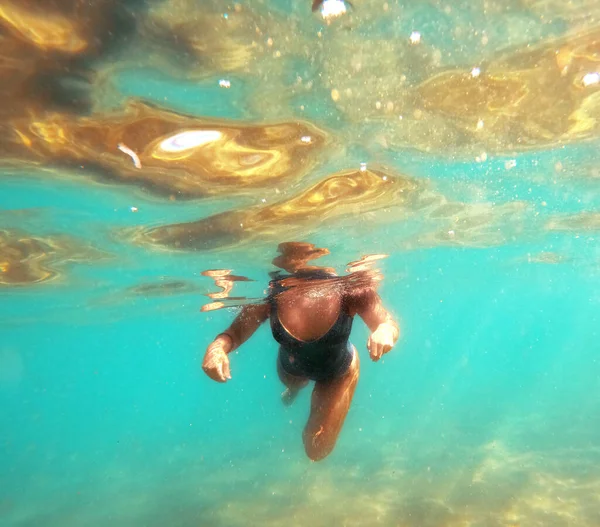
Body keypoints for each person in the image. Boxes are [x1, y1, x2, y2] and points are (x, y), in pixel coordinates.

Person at [201, 242, 400, 461]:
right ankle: (295, 389)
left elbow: (387, 322)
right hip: (291, 370)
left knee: (316, 448)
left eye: (313, 256)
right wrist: (216, 348)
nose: (306, 270)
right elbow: (234, 334)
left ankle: (341, 369)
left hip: (337, 371)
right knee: (294, 383)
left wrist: (385, 331)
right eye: (292, 258)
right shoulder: (271, 298)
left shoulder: (353, 291)